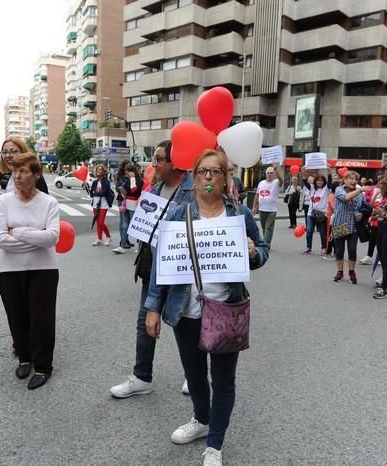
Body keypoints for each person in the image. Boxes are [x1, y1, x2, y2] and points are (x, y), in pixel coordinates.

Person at [144, 149, 269, 466]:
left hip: (226, 310)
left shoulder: (239, 215)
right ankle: (201, 420)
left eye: (216, 172)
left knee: (223, 381)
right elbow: (162, 265)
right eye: (203, 171)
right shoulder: (178, 213)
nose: (209, 177)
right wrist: (153, 307)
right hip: (185, 312)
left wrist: (254, 253)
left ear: (226, 178)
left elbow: (263, 252)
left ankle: (214, 445)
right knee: (195, 375)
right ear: (194, 177)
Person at [110, 140, 195, 399]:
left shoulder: (193, 191)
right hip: (153, 268)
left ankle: (194, 376)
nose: (154, 164)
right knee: (144, 322)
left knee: (188, 325)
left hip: (182, 269)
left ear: (175, 162)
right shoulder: (155, 189)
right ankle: (141, 377)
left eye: (159, 159)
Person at [0, 152, 60, 389]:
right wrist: (35, 236)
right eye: (14, 172)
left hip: (44, 268)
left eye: (23, 171)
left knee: (42, 319)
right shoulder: (3, 202)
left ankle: (43, 366)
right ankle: (25, 357)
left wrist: (17, 232)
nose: (17, 177)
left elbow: (51, 238)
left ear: (36, 174)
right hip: (10, 269)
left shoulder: (49, 203)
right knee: (17, 317)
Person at [331, 171, 371, 284]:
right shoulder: (339, 189)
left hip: (353, 226)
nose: (353, 181)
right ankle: (339, 272)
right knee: (339, 250)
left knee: (352, 250)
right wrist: (360, 190)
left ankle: (352, 272)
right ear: (344, 180)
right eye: (351, 179)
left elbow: (365, 206)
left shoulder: (360, 194)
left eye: (355, 179)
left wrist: (362, 213)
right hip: (340, 224)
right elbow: (345, 198)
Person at [252, 163, 283, 247]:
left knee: (269, 227)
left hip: (272, 210)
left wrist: (276, 170)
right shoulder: (261, 183)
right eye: (268, 173)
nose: (269, 174)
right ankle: (266, 241)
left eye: (271, 173)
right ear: (265, 174)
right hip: (262, 209)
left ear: (274, 175)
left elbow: (281, 180)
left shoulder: (276, 182)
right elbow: (257, 195)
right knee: (264, 227)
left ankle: (266, 244)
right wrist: (254, 206)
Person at [114, 164, 143, 254]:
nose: (126, 173)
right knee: (124, 225)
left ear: (132, 171)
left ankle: (140, 247)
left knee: (135, 226)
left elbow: (134, 190)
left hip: (134, 205)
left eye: (127, 171)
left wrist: (132, 179)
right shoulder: (127, 180)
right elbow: (126, 192)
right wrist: (122, 190)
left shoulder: (139, 180)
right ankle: (122, 246)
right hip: (126, 204)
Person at [302, 175, 329, 256]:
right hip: (311, 214)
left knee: (322, 232)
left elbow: (330, 182)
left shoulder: (326, 189)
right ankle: (308, 247)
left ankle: (324, 248)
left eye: (321, 180)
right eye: (318, 180)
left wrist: (329, 172)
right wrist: (304, 172)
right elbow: (305, 181)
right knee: (309, 231)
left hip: (321, 214)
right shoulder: (312, 188)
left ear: (324, 182)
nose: (319, 182)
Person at [90, 164, 113, 246]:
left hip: (103, 203)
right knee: (97, 222)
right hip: (95, 203)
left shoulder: (106, 182)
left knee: (101, 222)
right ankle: (99, 239)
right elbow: (91, 193)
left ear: (104, 171)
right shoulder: (95, 182)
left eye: (100, 170)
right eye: (97, 170)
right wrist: (96, 192)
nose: (99, 171)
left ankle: (108, 236)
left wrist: (97, 192)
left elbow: (104, 192)